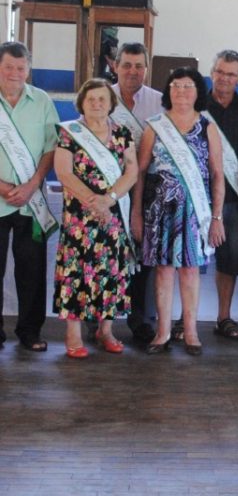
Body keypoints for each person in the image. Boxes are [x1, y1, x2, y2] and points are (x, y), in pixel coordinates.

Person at [131, 67, 225, 356]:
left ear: (198, 92)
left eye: (187, 86)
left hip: (196, 213)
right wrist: (136, 212)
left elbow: (217, 175)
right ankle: (162, 332)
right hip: (158, 212)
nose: (181, 91)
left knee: (190, 271)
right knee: (163, 271)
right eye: (175, 86)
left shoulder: (208, 127)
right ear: (168, 91)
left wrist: (217, 218)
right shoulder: (154, 126)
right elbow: (141, 172)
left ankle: (192, 332)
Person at [176, 50, 238, 341]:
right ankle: (186, 319)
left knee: (230, 259)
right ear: (212, 73)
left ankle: (223, 317)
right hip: (198, 197)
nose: (225, 78)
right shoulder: (196, 106)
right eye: (221, 72)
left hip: (234, 198)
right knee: (192, 260)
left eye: (232, 74)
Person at [54, 78, 138, 358]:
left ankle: (107, 331)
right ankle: (73, 334)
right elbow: (64, 173)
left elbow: (131, 172)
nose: (97, 104)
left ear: (111, 103)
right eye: (91, 99)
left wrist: (108, 199)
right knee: (76, 272)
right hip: (80, 217)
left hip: (112, 216)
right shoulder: (70, 133)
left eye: (102, 99)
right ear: (82, 103)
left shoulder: (123, 133)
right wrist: (93, 201)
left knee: (110, 271)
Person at [0, 41, 59, 352]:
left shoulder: (42, 101)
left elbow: (51, 147)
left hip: (30, 202)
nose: (14, 73)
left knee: (32, 269)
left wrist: (33, 183)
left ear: (28, 70)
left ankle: (30, 331)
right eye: (9, 66)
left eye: (21, 68)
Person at [110, 42, 163, 345]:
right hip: (107, 188)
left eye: (139, 66)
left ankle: (140, 320)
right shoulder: (100, 97)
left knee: (143, 256)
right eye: (127, 65)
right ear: (115, 66)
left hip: (147, 188)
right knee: (106, 253)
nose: (133, 71)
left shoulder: (159, 102)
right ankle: (98, 318)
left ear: (146, 68)